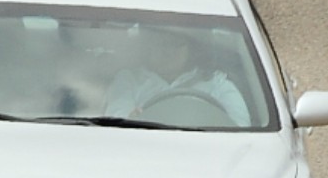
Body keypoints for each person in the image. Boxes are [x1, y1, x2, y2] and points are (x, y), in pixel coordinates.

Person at [102, 25, 249, 127]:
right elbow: (116, 121)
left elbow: (242, 130)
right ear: (148, 46)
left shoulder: (217, 84)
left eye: (176, 43)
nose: (167, 51)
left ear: (190, 48)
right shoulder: (129, 79)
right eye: (160, 43)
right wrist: (131, 121)